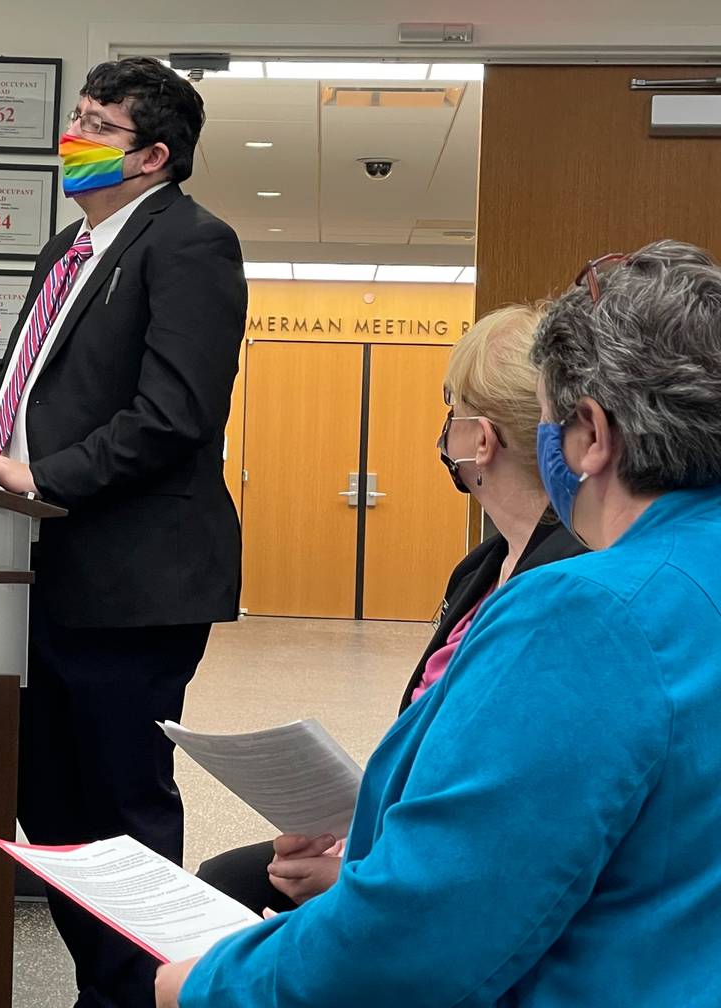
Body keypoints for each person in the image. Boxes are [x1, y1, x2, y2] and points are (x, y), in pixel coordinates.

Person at [158, 238, 721, 1007]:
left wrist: (211, 985)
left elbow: (423, 937)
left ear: (590, 434)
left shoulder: (587, 612)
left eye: (553, 421)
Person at [0, 56, 245, 1008]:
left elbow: (175, 415)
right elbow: (16, 389)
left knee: (121, 805)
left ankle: (139, 995)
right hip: (45, 570)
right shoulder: (69, 250)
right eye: (73, 120)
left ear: (155, 156)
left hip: (135, 581)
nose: (71, 141)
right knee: (50, 803)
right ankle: (108, 988)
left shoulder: (191, 245)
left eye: (96, 126)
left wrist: (42, 476)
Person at [195, 304, 585, 914]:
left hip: (460, 869)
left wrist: (362, 874)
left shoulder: (563, 583)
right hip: (411, 830)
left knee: (228, 897)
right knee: (229, 876)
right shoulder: (483, 566)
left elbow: (505, 800)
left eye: (452, 412)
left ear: (479, 440)